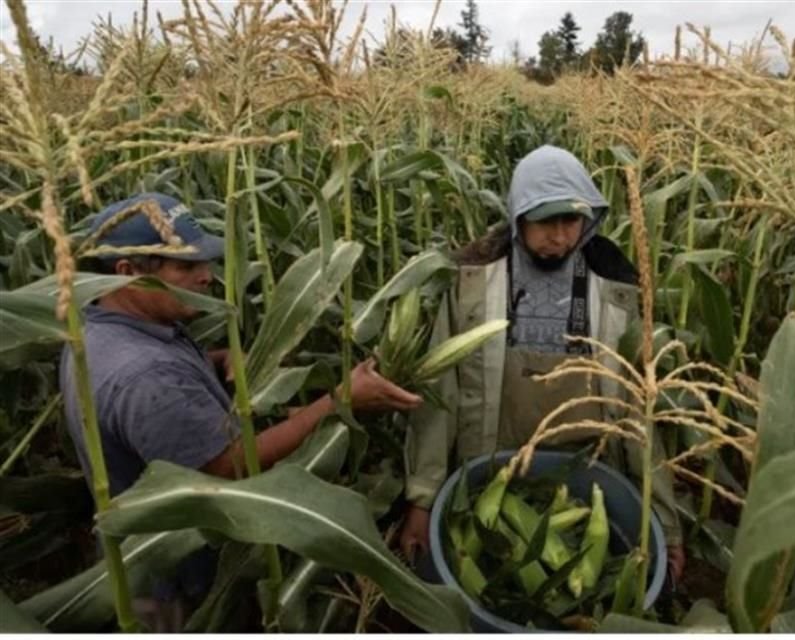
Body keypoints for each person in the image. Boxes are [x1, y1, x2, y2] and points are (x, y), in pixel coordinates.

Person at [60, 192, 421, 630]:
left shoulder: (99, 328)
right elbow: (226, 467)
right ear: (128, 273)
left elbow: (163, 390)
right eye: (187, 267)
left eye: (206, 262)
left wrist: (215, 359)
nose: (207, 277)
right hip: (177, 577)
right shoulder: (147, 377)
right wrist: (339, 402)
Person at [399, 146, 685, 583]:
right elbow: (442, 396)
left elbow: (637, 414)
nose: (559, 236)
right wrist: (422, 499)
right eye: (544, 221)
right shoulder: (473, 285)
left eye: (570, 221)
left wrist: (664, 526)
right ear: (518, 219)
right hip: (488, 478)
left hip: (590, 487)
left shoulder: (616, 290)